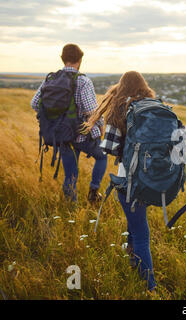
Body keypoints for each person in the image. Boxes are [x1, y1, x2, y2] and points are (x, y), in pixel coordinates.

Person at [84, 71, 158, 291]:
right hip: (151, 178)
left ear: (122, 86)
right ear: (144, 86)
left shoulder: (119, 109)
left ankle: (150, 287)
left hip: (128, 178)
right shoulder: (153, 106)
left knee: (141, 233)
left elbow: (108, 148)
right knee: (135, 224)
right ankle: (134, 264)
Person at [31, 43, 107, 204]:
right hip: (83, 136)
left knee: (70, 175)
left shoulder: (51, 78)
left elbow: (34, 103)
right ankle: (93, 192)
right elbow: (91, 110)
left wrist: (53, 117)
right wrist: (100, 126)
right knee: (102, 157)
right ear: (80, 60)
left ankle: (71, 209)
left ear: (62, 59)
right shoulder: (83, 81)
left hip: (62, 135)